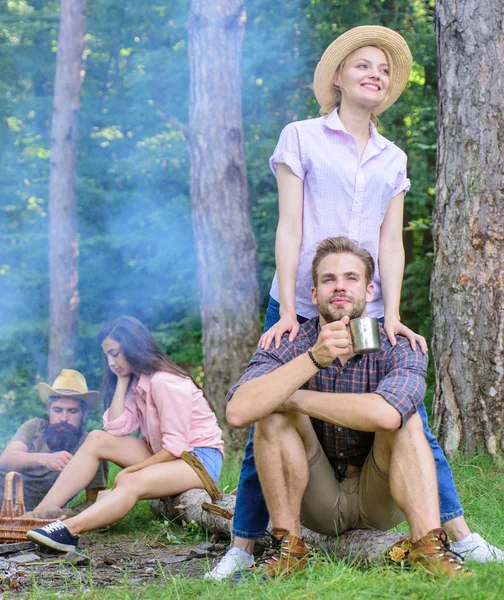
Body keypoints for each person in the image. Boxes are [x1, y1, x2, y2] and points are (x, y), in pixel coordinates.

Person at [205, 25, 501, 580]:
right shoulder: (302, 136)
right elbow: (289, 225)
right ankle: (244, 548)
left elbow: (391, 241)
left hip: (366, 304)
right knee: (267, 409)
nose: (376, 74)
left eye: (384, 70)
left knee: (406, 414)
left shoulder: (392, 156)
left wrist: (390, 314)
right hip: (301, 301)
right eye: (363, 65)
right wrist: (290, 311)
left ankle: (455, 536)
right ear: (338, 78)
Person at [226, 237, 472, 579]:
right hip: (317, 497)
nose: (340, 287)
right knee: (270, 415)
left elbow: (386, 414)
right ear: (314, 295)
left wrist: (292, 398)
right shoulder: (288, 341)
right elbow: (239, 411)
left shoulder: (400, 345)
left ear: (369, 291)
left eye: (351, 278)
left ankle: (430, 549)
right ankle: (288, 550)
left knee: (407, 419)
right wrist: (314, 359)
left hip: (379, 493)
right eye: (328, 279)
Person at [26, 316, 224, 552]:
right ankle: (40, 515)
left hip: (197, 460)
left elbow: (176, 448)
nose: (111, 361)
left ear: (134, 347)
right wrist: (122, 379)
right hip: (165, 453)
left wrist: (131, 470)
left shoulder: (165, 382)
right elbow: (115, 428)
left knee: (130, 480)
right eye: (108, 355)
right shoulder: (139, 381)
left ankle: (67, 531)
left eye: (116, 353)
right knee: (97, 439)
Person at [0, 369, 108, 512]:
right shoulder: (34, 426)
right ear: (49, 409)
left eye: (72, 411)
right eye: (57, 410)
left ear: (84, 414)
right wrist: (45, 459)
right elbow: (6, 459)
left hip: (35, 510)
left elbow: (92, 502)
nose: (63, 418)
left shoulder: (91, 444)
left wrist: (60, 513)